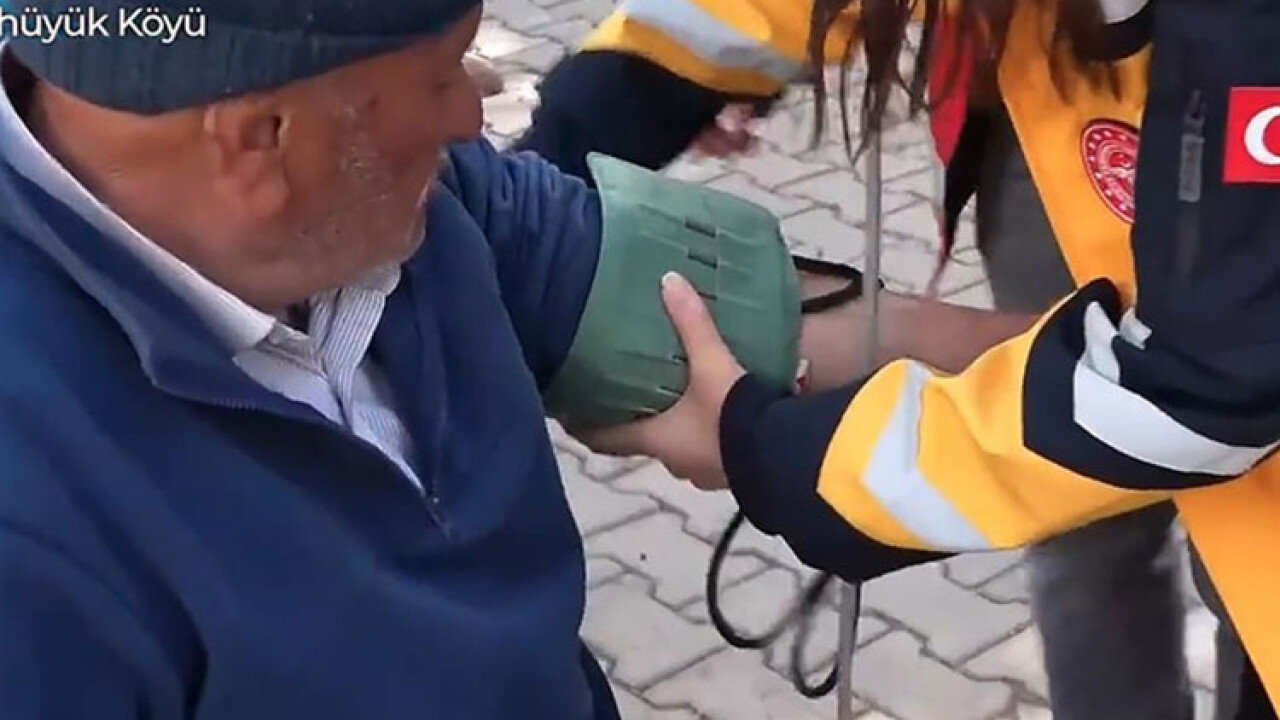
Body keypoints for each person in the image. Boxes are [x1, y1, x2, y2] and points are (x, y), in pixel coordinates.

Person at [0, 1, 880, 717]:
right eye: (440, 76)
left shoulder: (413, 201)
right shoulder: (34, 548)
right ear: (262, 137)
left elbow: (772, 322)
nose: (474, 113)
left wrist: (977, 397)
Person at [512, 1, 1225, 718]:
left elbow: (1207, 386)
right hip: (1061, 97)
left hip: (1225, 136)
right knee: (1084, 513)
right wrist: (600, 123)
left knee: (1236, 525)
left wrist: (784, 453)